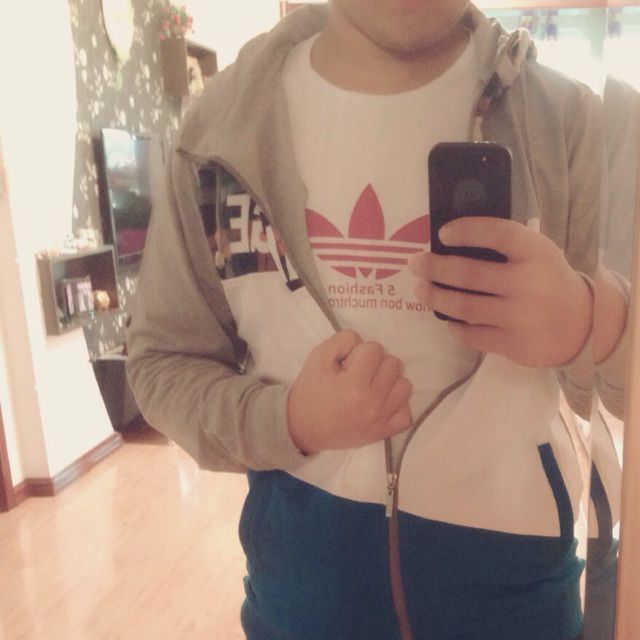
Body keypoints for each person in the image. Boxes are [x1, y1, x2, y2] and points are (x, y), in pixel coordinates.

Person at [126, 2, 630, 639]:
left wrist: (591, 322)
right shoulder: (220, 133)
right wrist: (288, 420)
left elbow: (621, 382)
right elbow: (163, 362)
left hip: (520, 606)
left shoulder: (567, 123)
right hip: (299, 604)